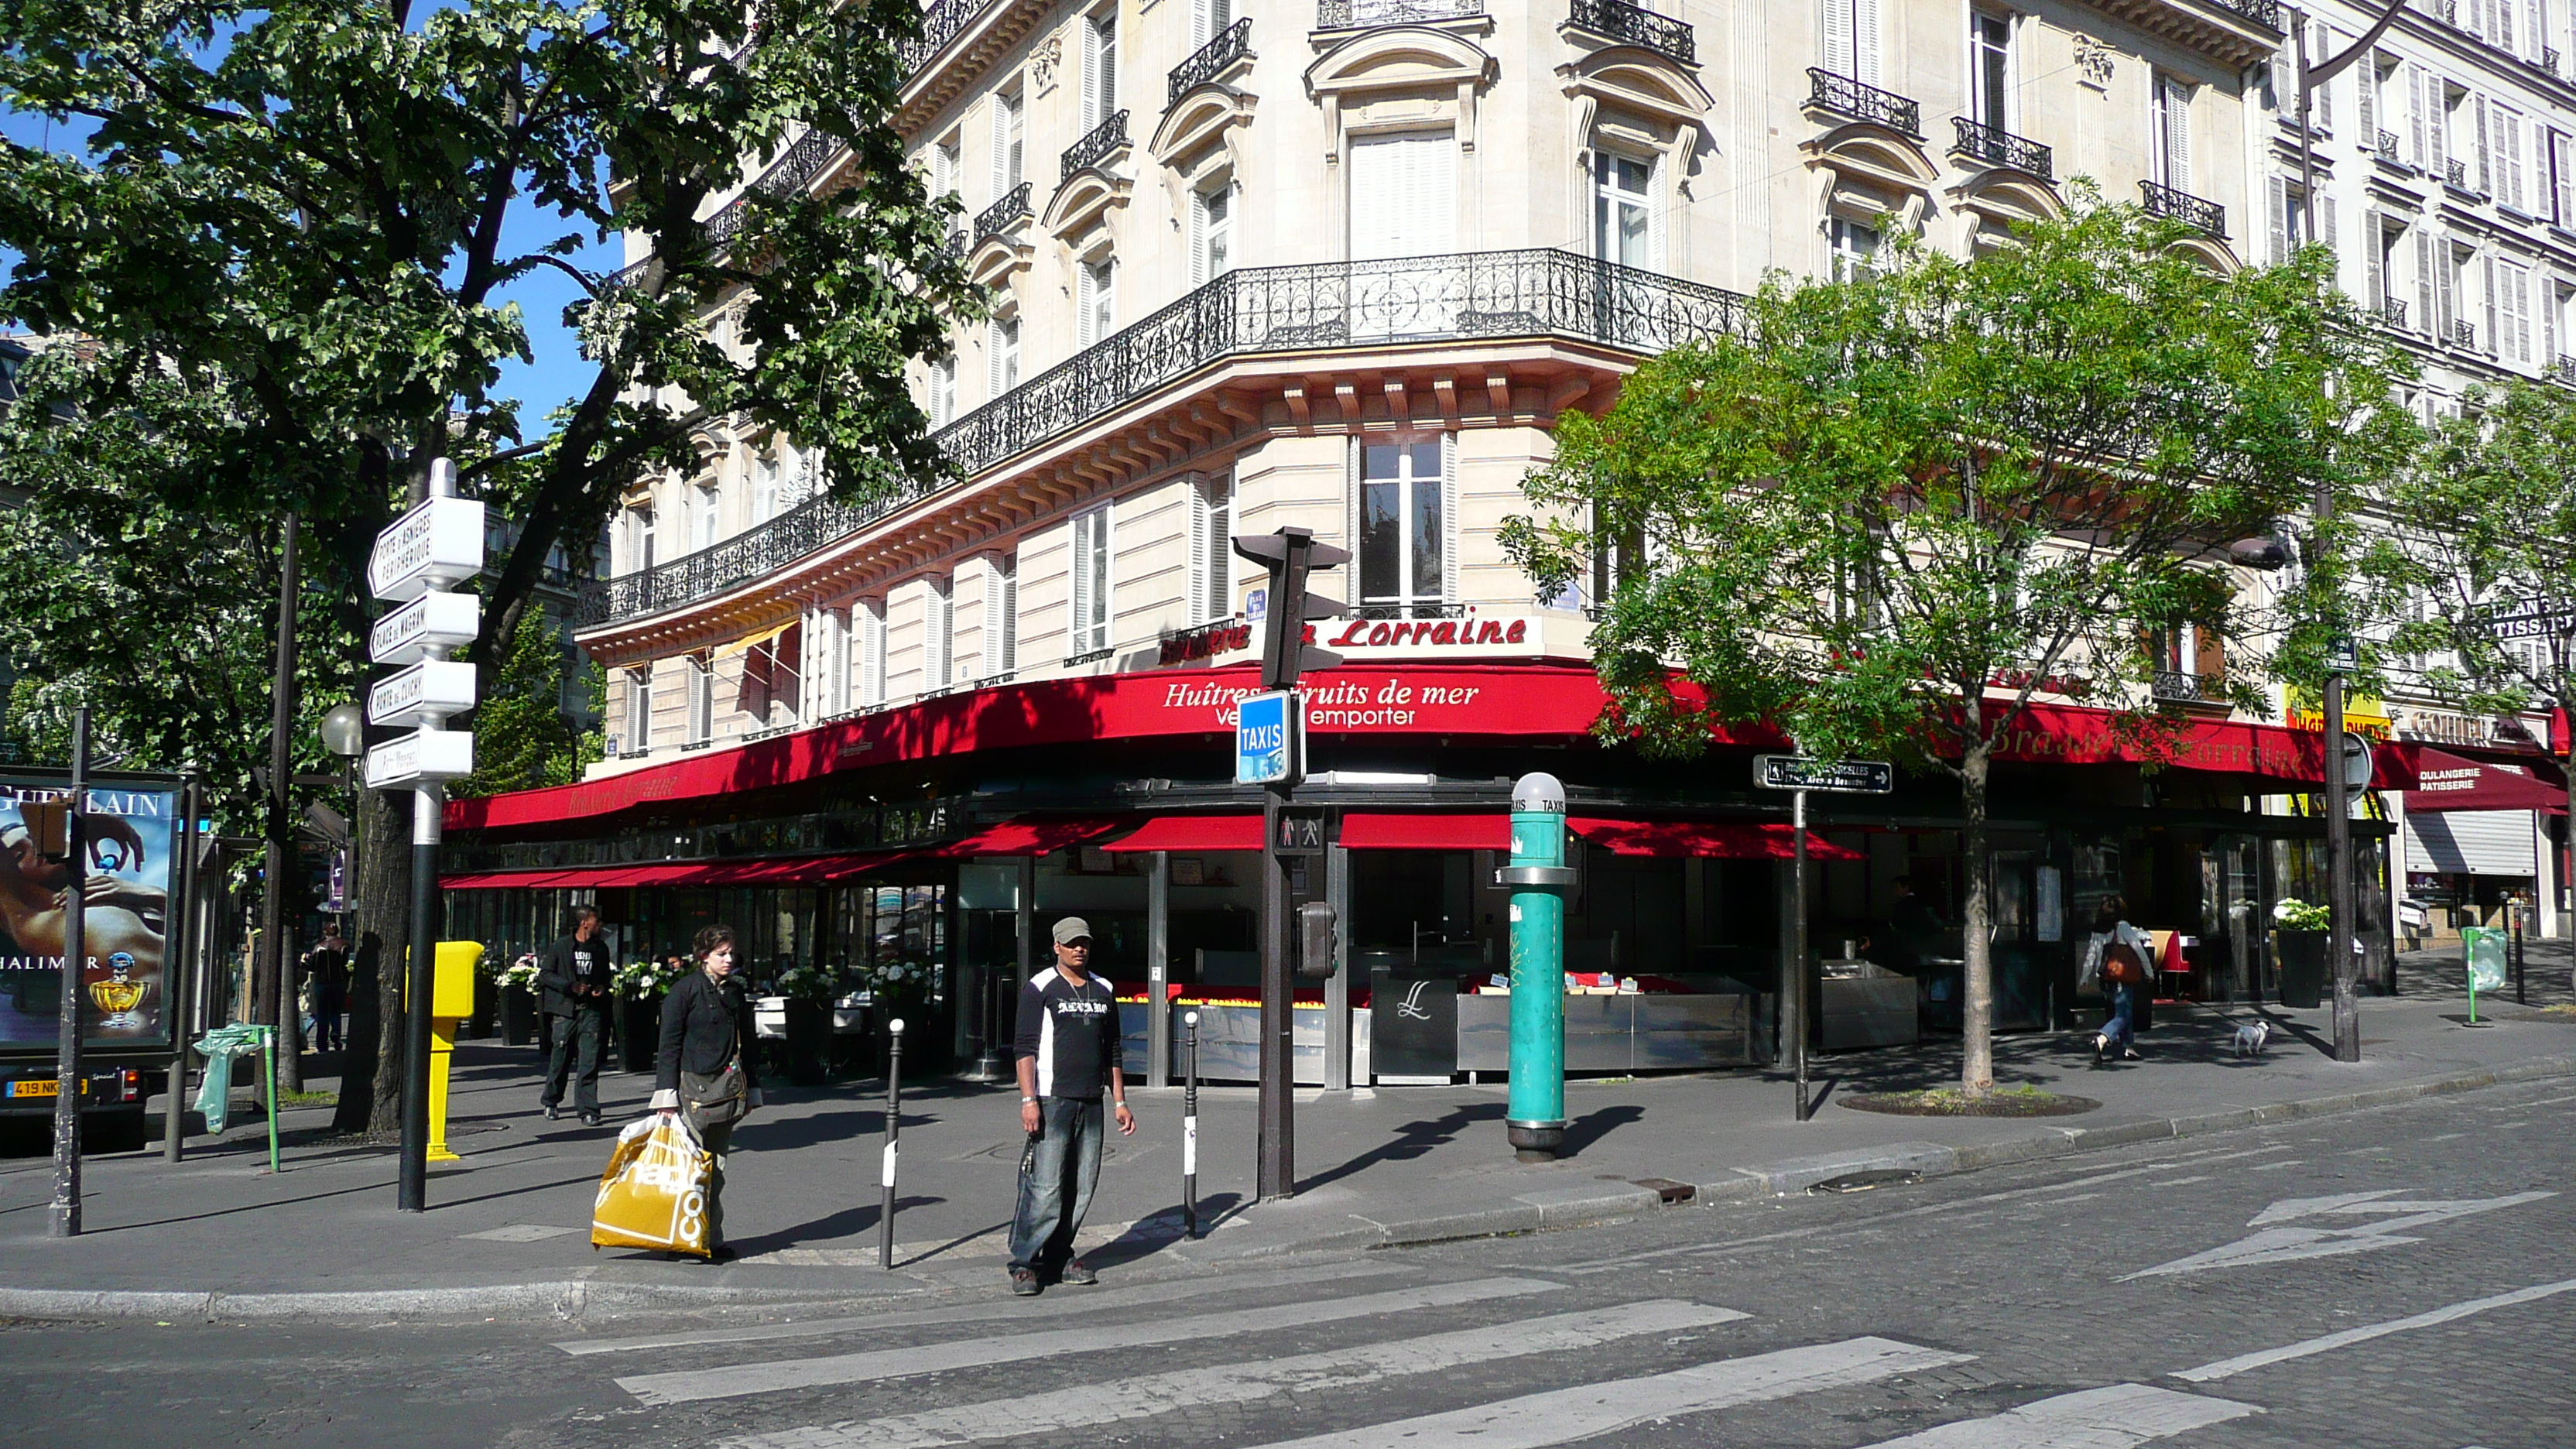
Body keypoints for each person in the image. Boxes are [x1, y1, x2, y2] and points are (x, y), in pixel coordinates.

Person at [1006, 916, 1136, 1297]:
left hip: (1091, 1100)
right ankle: (1025, 1263)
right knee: (1045, 1186)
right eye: (1072, 943)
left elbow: (1112, 1048)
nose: (1080, 949)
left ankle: (1059, 1255)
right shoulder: (1040, 988)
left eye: (1085, 943)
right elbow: (1025, 1048)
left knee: (1081, 1185)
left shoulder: (1103, 989)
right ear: (1057, 948)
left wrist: (1121, 1101)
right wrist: (1029, 1100)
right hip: (1052, 1098)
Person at [649, 923, 760, 1262]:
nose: (728, 960)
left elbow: (749, 1043)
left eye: (731, 953)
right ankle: (682, 1240)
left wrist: (752, 1089)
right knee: (690, 1169)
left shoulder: (735, 993)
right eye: (721, 954)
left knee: (717, 1170)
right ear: (703, 957)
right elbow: (668, 1045)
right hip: (690, 1090)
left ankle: (711, 1238)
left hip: (726, 1092)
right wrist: (665, 1096)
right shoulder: (683, 992)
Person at [536, 906, 615, 1125]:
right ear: (585, 923)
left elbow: (605, 977)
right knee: (560, 1059)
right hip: (566, 1012)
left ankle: (588, 1109)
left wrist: (601, 987)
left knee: (589, 1062)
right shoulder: (561, 947)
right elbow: (545, 974)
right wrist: (569, 986)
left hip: (591, 1012)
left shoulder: (600, 948)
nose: (600, 925)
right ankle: (551, 1101)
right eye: (597, 921)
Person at [304, 929, 350, 1054]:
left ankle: (322, 1042)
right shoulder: (343, 945)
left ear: (325, 932)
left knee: (322, 1014)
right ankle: (336, 1034)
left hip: (322, 982)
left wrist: (305, 961)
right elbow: (345, 962)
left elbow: (312, 967)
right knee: (336, 1012)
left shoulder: (319, 947)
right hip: (338, 981)